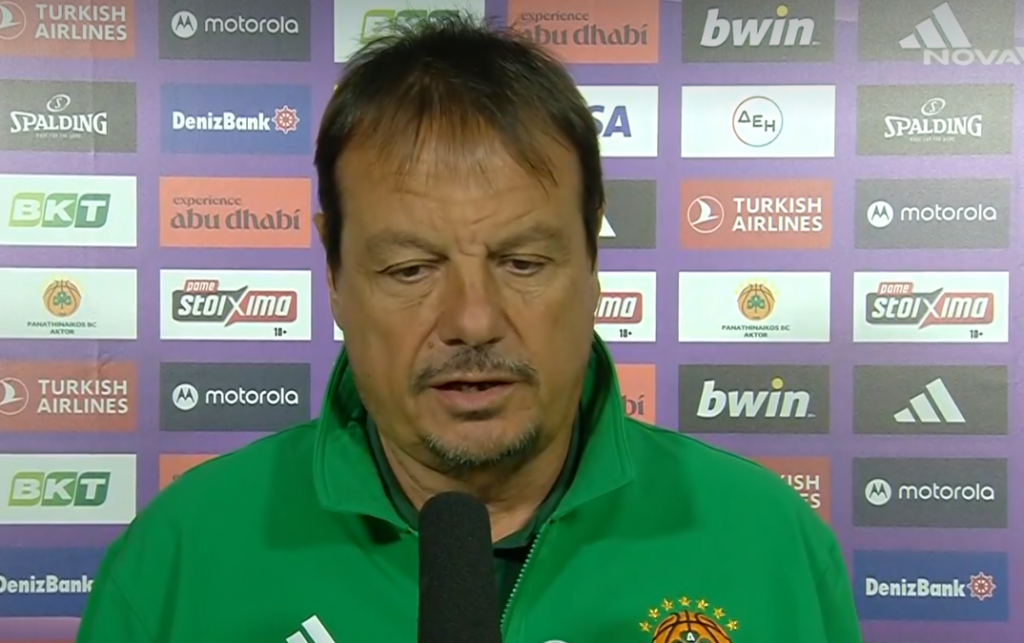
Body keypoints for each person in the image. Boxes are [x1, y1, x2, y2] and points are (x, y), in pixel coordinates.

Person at [77, 13, 862, 643]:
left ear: (593, 262)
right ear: (334, 275)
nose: (473, 320)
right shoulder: (181, 557)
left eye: (522, 262)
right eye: (410, 269)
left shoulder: (769, 544)